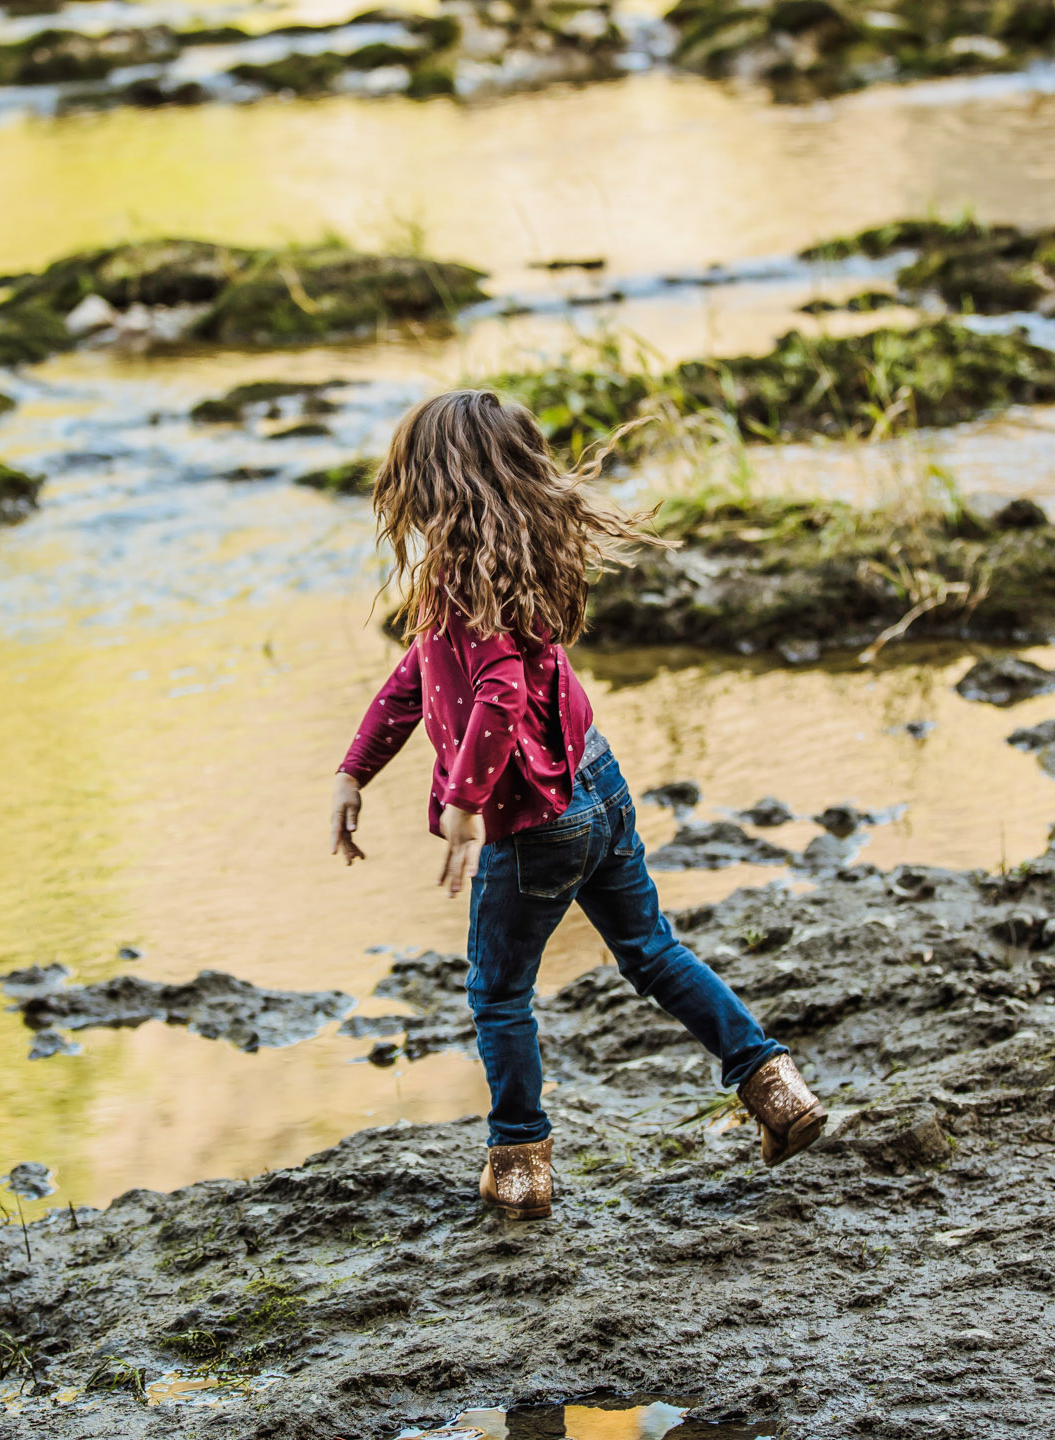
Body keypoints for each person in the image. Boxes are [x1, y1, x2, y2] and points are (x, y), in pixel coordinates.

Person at [327, 389, 825, 1222]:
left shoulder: (459, 582)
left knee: (497, 992)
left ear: (436, 483)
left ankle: (520, 1160)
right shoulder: (516, 560)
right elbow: (414, 679)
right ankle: (774, 1087)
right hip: (600, 786)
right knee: (652, 951)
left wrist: (462, 801)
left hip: (533, 829)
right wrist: (354, 771)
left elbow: (498, 689)